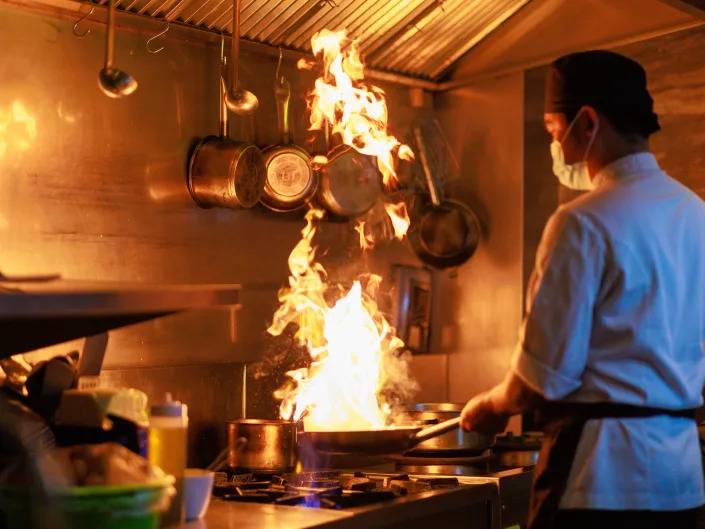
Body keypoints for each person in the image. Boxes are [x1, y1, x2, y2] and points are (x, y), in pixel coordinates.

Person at [459, 49, 705, 529]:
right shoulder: (696, 214)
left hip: (599, 480)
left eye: (554, 131)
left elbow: (541, 378)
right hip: (682, 479)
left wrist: (489, 406)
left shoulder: (582, 222)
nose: (557, 146)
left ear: (587, 122)